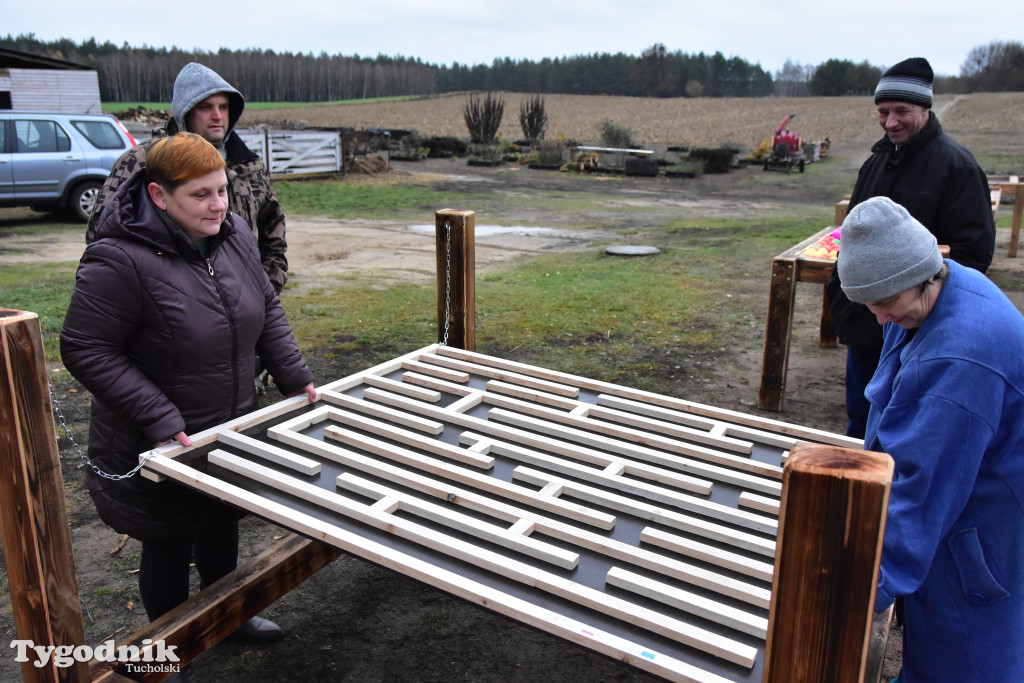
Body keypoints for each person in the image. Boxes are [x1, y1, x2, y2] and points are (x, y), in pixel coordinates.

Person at [60, 133, 316, 673]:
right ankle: (167, 649)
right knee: (170, 542)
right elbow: (84, 347)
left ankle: (228, 615)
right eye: (200, 195)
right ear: (158, 196)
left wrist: (293, 374)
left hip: (228, 419)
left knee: (222, 519)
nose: (218, 204)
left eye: (221, 189)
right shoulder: (117, 259)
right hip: (158, 434)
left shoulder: (233, 235)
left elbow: (265, 306)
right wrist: (156, 415)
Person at [837, 196, 1024, 683]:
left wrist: (858, 595)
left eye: (884, 303)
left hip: (980, 531)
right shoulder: (940, 288)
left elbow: (922, 488)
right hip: (966, 502)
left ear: (922, 274)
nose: (878, 318)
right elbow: (892, 409)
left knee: (969, 652)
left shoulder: (960, 360)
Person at [826, 57, 995, 438]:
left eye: (901, 111)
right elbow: (850, 237)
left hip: (918, 328)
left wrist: (922, 311)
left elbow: (972, 253)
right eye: (883, 112)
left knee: (912, 430)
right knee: (862, 420)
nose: (890, 122)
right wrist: (844, 301)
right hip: (865, 325)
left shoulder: (958, 168)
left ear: (924, 108)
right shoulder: (874, 165)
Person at [87, 62, 289, 295]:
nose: (217, 116)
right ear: (185, 110)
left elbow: (274, 237)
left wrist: (263, 294)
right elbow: (102, 235)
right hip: (172, 312)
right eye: (205, 107)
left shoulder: (248, 165)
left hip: (244, 312)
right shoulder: (141, 163)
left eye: (223, 107)